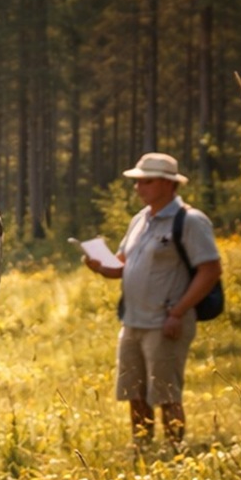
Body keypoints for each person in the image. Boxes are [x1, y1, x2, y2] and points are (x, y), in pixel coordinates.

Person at [83, 151, 223, 445]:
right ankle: (143, 448)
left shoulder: (190, 221)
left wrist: (178, 313)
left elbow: (210, 271)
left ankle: (174, 451)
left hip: (165, 323)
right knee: (133, 393)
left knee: (166, 394)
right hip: (132, 322)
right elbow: (120, 265)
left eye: (146, 181)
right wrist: (99, 266)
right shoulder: (140, 219)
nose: (138, 187)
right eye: (137, 182)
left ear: (168, 184)